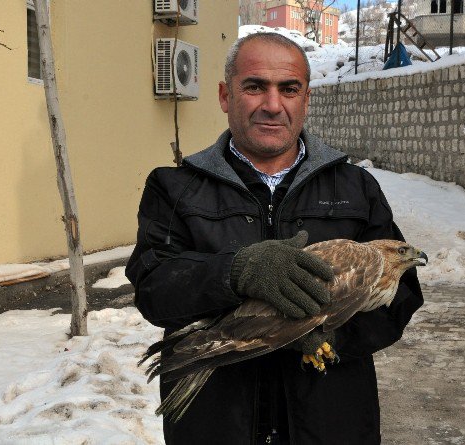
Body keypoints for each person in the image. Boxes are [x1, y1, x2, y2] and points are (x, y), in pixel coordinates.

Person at [126, 32, 423, 445]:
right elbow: (154, 287)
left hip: (329, 424)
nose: (272, 105)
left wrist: (323, 336)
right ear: (225, 95)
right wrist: (235, 272)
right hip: (216, 425)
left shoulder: (358, 188)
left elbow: (401, 297)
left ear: (306, 99)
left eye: (288, 89)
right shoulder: (175, 188)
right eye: (254, 87)